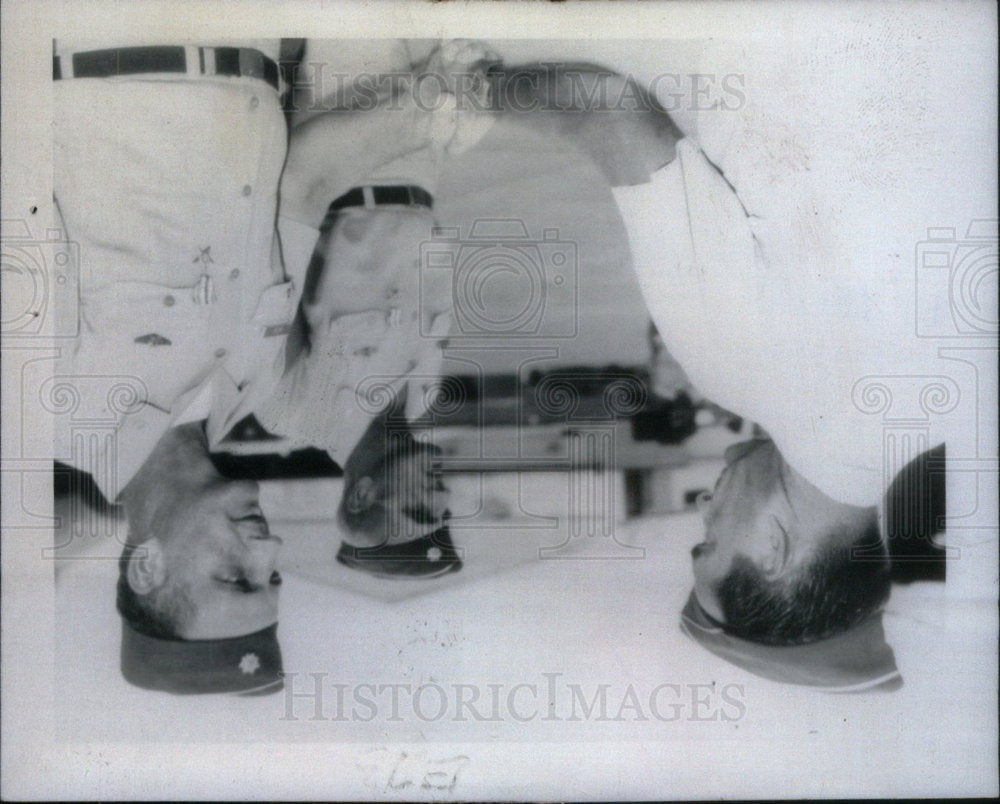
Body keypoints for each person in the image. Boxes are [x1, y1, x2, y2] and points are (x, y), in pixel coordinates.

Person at [486, 14, 990, 681]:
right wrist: (473, 94)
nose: (705, 511)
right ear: (777, 550)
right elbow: (606, 111)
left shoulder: (963, 405)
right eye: (710, 544)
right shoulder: (738, 374)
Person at [52, 38, 299, 692]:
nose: (269, 550)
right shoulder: (257, 379)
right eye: (271, 577)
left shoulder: (51, 405)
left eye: (235, 576)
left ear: (147, 569)